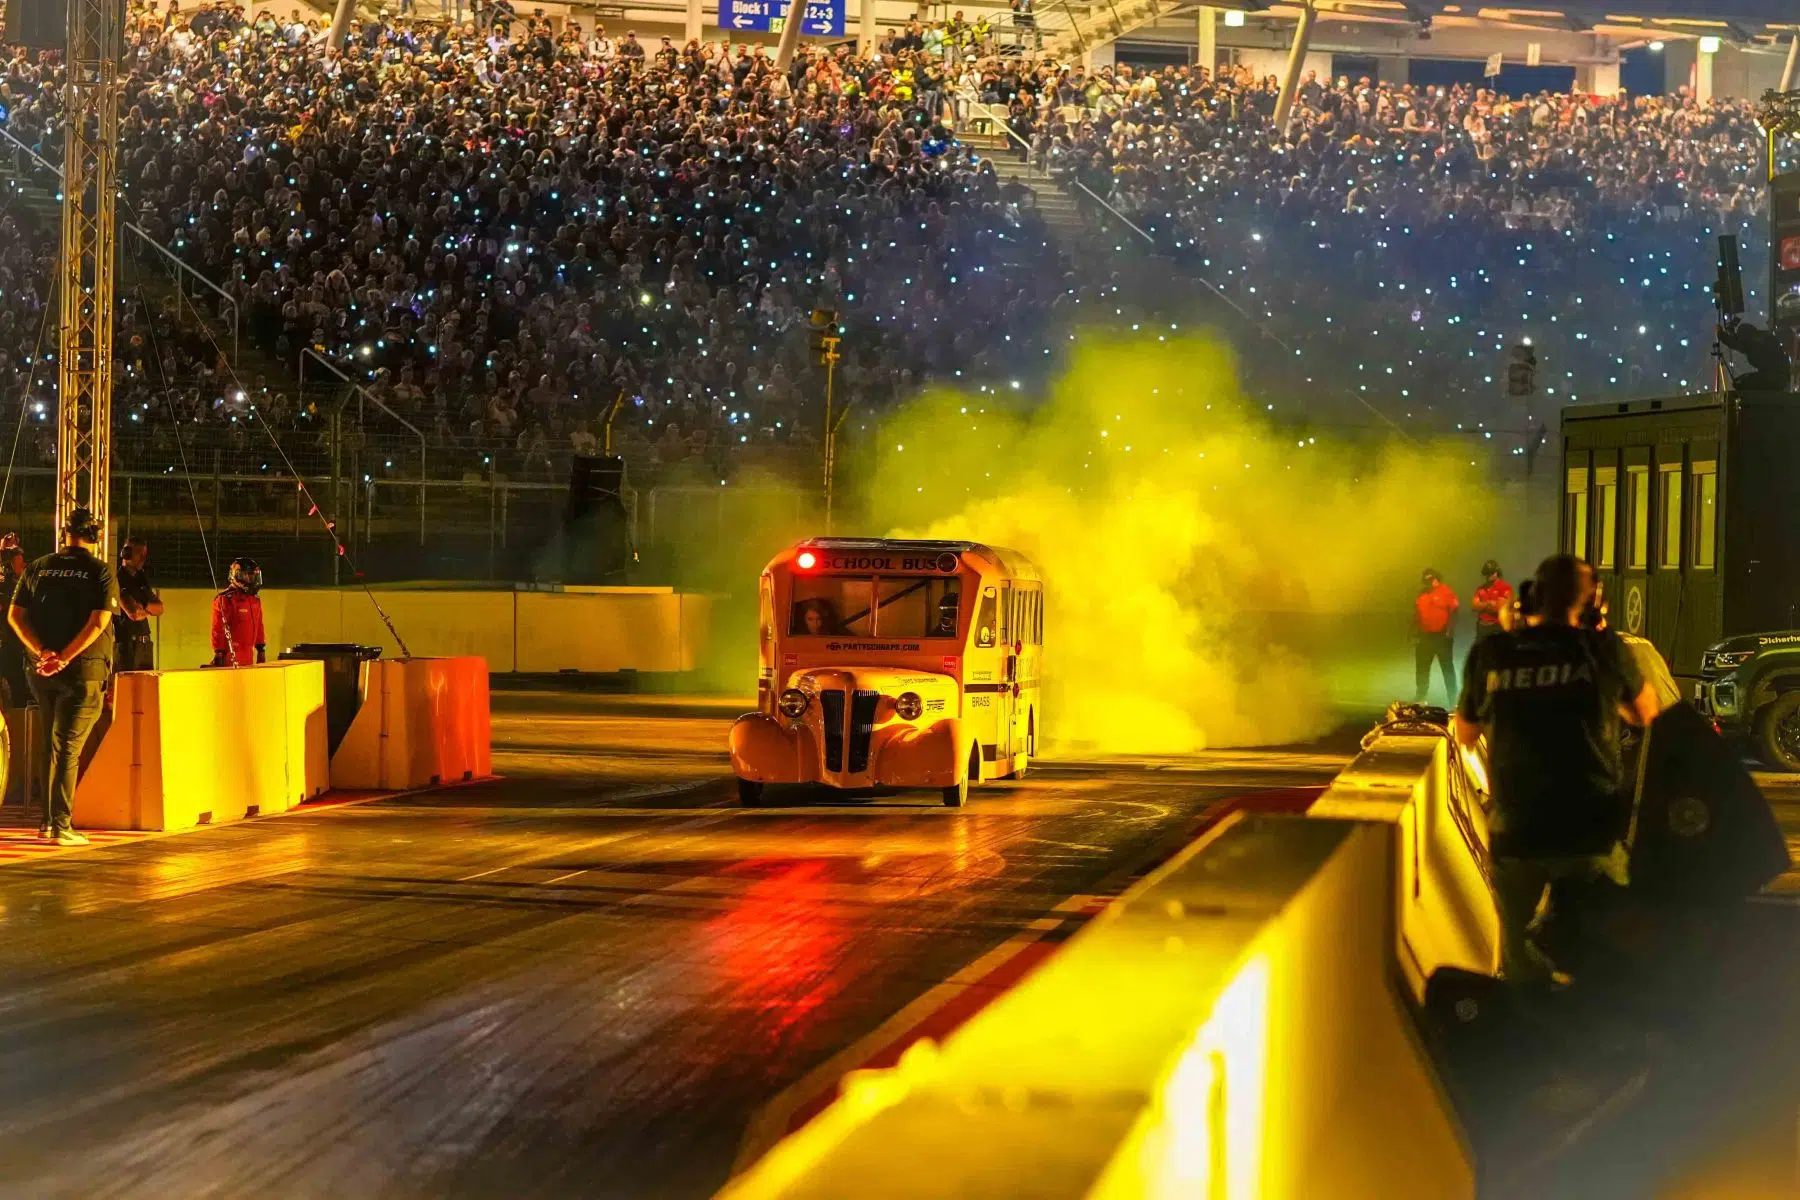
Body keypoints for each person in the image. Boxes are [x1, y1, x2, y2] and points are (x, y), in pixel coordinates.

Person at [1453, 554, 1661, 987]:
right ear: (1592, 602)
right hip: (1590, 831)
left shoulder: (1493, 652)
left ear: (1532, 595)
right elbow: (1647, 715)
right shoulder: (1603, 649)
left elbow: (1466, 733)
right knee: (1604, 955)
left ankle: (1527, 1035)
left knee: (1518, 958)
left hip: (1516, 829)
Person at [7, 508, 119, 846]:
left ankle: (47, 823)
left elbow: (16, 617)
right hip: (83, 671)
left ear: (65, 533)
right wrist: (67, 657)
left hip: (41, 671)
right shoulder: (99, 571)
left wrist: (44, 653)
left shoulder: (38, 568)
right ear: (94, 535)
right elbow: (99, 622)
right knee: (68, 746)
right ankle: (61, 825)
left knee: (49, 745)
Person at [114, 537, 164, 673]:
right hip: (127, 646)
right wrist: (148, 608)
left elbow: (160, 608)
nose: (143, 558)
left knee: (146, 687)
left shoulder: (141, 578)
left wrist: (142, 605)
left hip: (145, 644)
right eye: (139, 554)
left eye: (144, 555)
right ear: (126, 554)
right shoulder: (117, 579)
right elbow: (134, 613)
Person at [1413, 567, 1459, 705]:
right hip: (1424, 636)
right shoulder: (1422, 594)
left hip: (1441, 637)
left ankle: (1453, 699)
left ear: (1436, 580)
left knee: (1447, 668)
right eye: (1426, 581)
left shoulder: (1446, 591)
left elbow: (1454, 611)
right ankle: (1421, 697)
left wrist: (1449, 630)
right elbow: (1416, 614)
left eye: (1431, 580)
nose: (1428, 584)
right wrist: (1413, 632)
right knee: (1422, 668)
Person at [211, 556, 266, 667]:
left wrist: (261, 649)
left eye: (254, 575)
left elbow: (259, 625)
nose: (251, 579)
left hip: (249, 655)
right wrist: (219, 652)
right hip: (230, 656)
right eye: (248, 575)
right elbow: (218, 628)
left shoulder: (254, 600)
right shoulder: (226, 599)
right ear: (237, 575)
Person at [0, 533, 30, 708]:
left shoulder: (23, 585)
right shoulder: (6, 587)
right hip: (6, 645)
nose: (24, 566)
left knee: (19, 690)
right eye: (20, 563)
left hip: (19, 646)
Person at [1471, 560, 1513, 643]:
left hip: (1497, 627)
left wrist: (1482, 605)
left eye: (1490, 573)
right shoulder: (1480, 588)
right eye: (1486, 574)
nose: (1488, 576)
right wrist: (1489, 603)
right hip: (1482, 627)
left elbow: (1501, 608)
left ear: (1496, 573)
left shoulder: (1505, 587)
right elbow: (1474, 606)